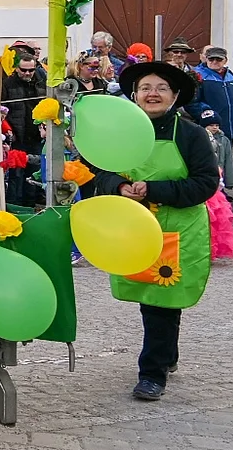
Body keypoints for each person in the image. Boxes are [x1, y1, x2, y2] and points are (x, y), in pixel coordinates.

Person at [92, 61, 217, 402]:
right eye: (146, 87)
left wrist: (155, 190)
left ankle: (152, 373)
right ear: (134, 95)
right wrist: (118, 185)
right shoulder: (119, 134)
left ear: (175, 96)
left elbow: (206, 183)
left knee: (160, 302)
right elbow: (98, 173)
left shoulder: (191, 134)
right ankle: (166, 354)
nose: (153, 94)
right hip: (133, 230)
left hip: (175, 229)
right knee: (153, 301)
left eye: (162, 88)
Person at [192, 47, 233, 194]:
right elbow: (193, 102)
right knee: (212, 159)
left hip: (229, 126)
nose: (214, 62)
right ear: (206, 59)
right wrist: (208, 115)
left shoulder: (230, 75)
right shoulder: (198, 75)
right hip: (210, 126)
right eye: (211, 59)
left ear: (225, 60)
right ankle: (210, 190)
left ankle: (222, 190)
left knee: (225, 159)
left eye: (218, 59)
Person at [2, 53, 45, 206]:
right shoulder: (7, 84)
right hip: (17, 136)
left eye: (31, 70)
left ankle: (30, 204)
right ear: (16, 68)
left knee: (34, 173)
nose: (27, 73)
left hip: (36, 135)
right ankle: (14, 204)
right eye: (24, 70)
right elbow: (3, 110)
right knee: (16, 174)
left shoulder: (41, 82)